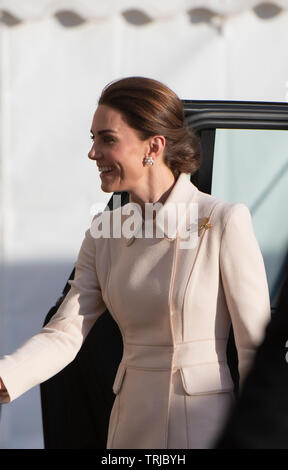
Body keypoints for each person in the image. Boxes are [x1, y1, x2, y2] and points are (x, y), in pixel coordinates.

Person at [0, 77, 271, 449]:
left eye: (107, 139)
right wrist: (6, 376)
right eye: (93, 138)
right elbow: (65, 332)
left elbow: (255, 347)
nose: (93, 153)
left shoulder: (221, 220)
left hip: (203, 430)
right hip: (129, 427)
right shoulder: (104, 230)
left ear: (154, 147)